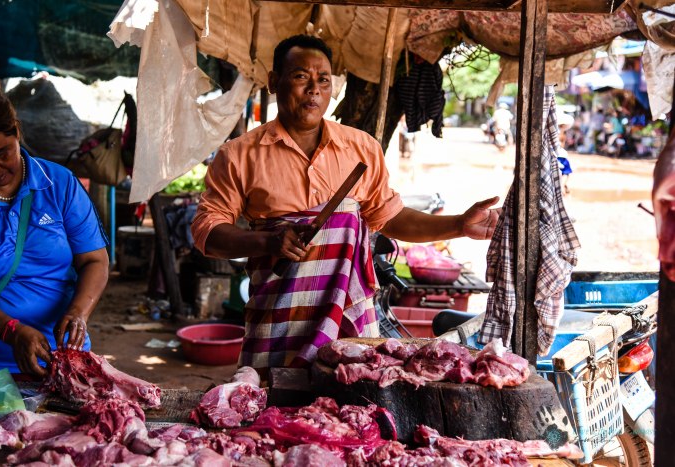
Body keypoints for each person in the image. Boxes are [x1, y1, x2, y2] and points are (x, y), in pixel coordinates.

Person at [191, 35, 500, 375]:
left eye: (323, 80)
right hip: (276, 319)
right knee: (267, 403)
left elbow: (390, 217)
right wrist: (268, 241)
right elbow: (207, 233)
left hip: (350, 324)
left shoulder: (361, 149)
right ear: (274, 82)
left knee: (351, 401)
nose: (314, 89)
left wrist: (459, 225)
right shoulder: (239, 155)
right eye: (300, 76)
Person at [0, 87, 109, 380]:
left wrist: (78, 313)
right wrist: (12, 331)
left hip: (63, 357)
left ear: (16, 132)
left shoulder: (59, 184)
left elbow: (94, 260)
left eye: (1, 153)